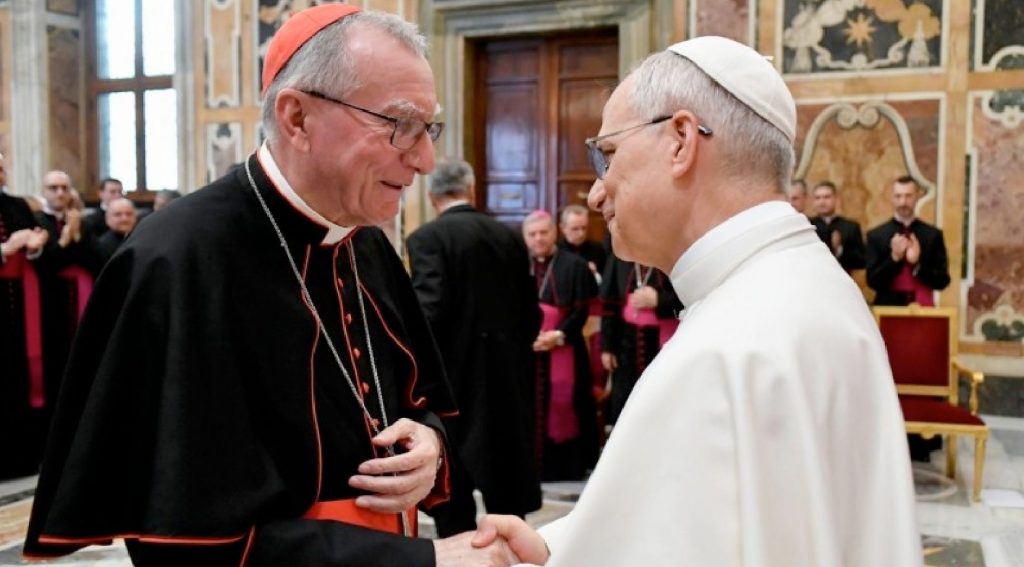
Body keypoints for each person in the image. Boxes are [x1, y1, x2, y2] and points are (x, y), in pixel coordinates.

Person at [25, 6, 518, 566]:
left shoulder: (365, 242)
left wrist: (428, 447)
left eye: (428, 128)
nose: (426, 160)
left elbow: (418, 399)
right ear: (297, 118)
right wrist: (427, 562)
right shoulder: (180, 259)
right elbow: (189, 543)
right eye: (399, 124)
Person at [473, 35, 920, 567]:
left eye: (608, 155)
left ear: (681, 141)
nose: (595, 193)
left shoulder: (728, 345)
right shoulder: (803, 284)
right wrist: (558, 547)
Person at [407, 158, 542, 537]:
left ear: (432, 197)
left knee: (453, 497)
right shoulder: (508, 236)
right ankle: (514, 554)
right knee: (507, 492)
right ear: (470, 189)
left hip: (452, 385)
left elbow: (428, 315)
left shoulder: (427, 239)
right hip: (507, 380)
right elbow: (529, 312)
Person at [521, 210, 598, 482]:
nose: (538, 239)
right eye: (532, 234)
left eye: (544, 232)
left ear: (554, 232)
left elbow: (581, 310)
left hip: (566, 347)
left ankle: (567, 467)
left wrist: (559, 334)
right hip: (528, 352)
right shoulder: (517, 265)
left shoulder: (574, 266)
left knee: (568, 405)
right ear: (525, 237)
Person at [0, 153, 51, 480]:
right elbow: (9, 248)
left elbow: (35, 243)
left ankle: (20, 458)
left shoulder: (17, 204)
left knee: (18, 378)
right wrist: (5, 249)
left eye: (1, 168)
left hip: (18, 307)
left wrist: (35, 246)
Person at [598, 256, 681, 425]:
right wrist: (607, 346)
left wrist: (659, 300)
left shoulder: (673, 253)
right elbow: (610, 305)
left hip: (663, 346)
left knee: (661, 402)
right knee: (624, 403)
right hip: (626, 346)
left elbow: (691, 299)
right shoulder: (620, 258)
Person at [866, 175, 950, 307]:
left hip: (923, 308)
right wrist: (894, 258)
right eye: (898, 196)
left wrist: (917, 264)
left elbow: (942, 281)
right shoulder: (876, 236)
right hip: (887, 309)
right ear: (892, 198)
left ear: (917, 196)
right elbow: (872, 282)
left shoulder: (932, 235)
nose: (903, 202)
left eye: (908, 196)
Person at [809, 180, 865, 274]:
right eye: (817, 198)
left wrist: (839, 249)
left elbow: (861, 261)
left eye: (827, 197)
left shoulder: (850, 227)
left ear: (836, 199)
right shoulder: (807, 225)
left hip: (842, 278)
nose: (822, 201)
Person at [556, 204, 606, 284]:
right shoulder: (556, 250)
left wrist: (595, 273)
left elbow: (606, 282)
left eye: (584, 228)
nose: (581, 234)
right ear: (563, 228)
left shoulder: (598, 250)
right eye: (575, 229)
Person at [91, 197, 137, 269]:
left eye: (129, 214)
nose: (124, 219)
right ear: (107, 219)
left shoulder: (142, 239)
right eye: (118, 214)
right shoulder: (101, 247)